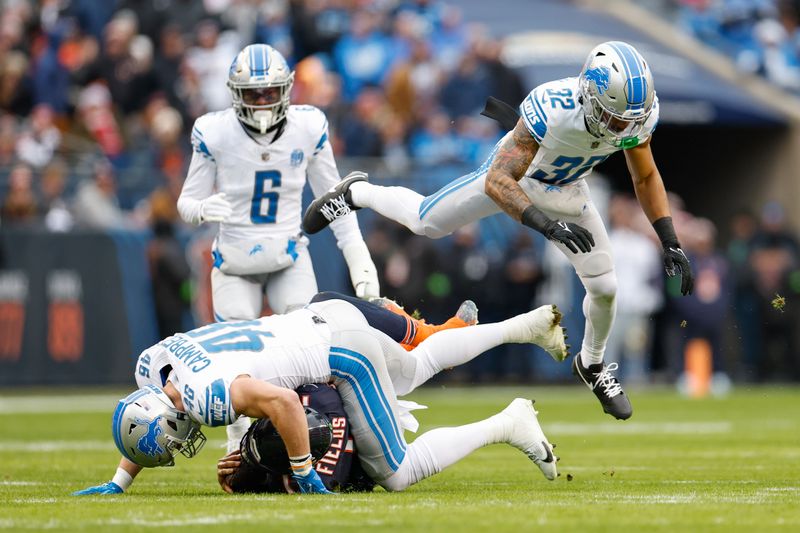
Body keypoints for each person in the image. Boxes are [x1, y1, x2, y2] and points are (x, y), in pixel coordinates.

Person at [304, 41, 696, 420]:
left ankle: (592, 365)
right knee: (427, 221)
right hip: (514, 180)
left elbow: (645, 176)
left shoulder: (634, 115)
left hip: (568, 190)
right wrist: (547, 227)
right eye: (614, 117)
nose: (621, 128)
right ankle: (356, 192)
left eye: (630, 119)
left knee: (606, 287)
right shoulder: (553, 108)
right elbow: (498, 180)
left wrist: (670, 239)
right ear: (590, 96)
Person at [73, 292, 568, 495]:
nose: (183, 443)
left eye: (173, 440)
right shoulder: (152, 367)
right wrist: (121, 480)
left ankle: (508, 423)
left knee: (396, 473)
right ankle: (524, 327)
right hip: (320, 319)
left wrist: (305, 474)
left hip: (339, 352)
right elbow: (150, 420)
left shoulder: (201, 397)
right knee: (420, 364)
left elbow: (284, 404)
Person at [176, 44, 381, 449]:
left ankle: (317, 441)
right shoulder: (213, 131)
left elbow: (334, 199)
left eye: (270, 92)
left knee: (309, 352)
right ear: (236, 95)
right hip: (234, 261)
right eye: (254, 94)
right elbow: (185, 202)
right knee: (234, 363)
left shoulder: (309, 126)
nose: (263, 102)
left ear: (286, 90)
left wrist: (359, 257)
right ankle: (238, 451)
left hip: (288, 254)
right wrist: (201, 209)